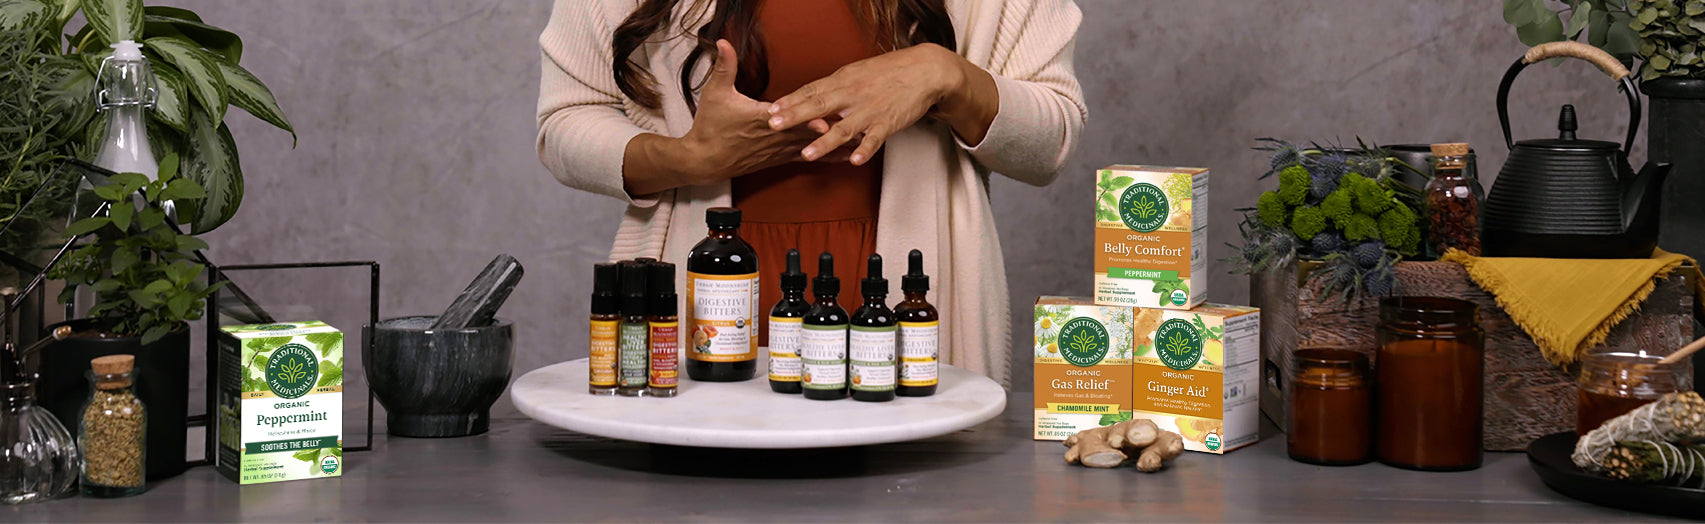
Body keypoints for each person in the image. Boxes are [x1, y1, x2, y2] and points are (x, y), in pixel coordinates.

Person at [536, 0, 1085, 387]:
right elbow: (565, 121)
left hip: (907, 289)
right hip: (709, 287)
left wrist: (947, 75)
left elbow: (1050, 139)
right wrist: (691, 157)